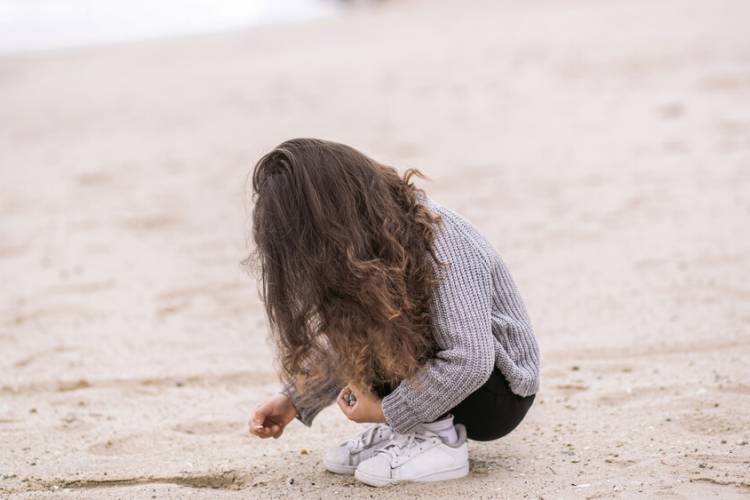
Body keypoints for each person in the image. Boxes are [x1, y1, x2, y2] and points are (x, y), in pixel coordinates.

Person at [246, 138, 540, 487]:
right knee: (360, 315)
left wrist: (387, 411)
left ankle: (440, 442)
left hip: (496, 394)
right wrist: (293, 399)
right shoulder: (370, 243)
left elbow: (471, 359)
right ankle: (414, 429)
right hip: (451, 379)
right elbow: (350, 338)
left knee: (390, 316)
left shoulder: (442, 237)